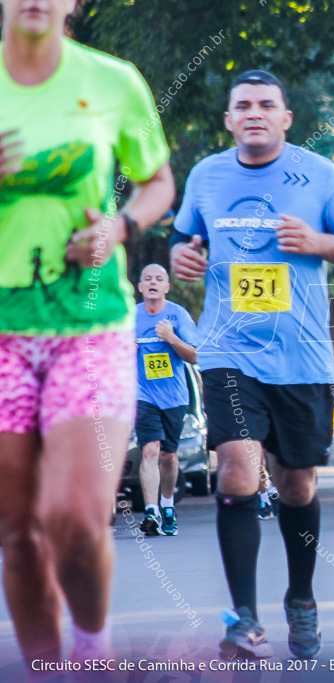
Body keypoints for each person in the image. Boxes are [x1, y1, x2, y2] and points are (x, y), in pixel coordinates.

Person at [170, 69, 334, 659]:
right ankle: (243, 618)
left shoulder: (319, 173)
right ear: (229, 120)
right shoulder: (206, 175)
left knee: (296, 484)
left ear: (286, 117)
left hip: (303, 355)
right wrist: (183, 255)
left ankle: (302, 599)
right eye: (243, 105)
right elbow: (183, 236)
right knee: (237, 468)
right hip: (228, 350)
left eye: (267, 104)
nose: (255, 112)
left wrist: (321, 244)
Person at [0, 0, 175, 664]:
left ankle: (93, 650)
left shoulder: (112, 81)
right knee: (18, 532)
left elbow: (157, 180)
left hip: (89, 326)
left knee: (73, 518)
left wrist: (120, 227)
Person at [134, 264, 198, 537]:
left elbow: (195, 356)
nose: (153, 282)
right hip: (141, 393)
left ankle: (168, 505)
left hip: (174, 396)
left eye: (159, 279)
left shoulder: (178, 314)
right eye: (147, 278)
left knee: (168, 455)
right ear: (140, 286)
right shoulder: (130, 316)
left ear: (166, 287)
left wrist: (171, 337)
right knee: (150, 449)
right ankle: (151, 511)